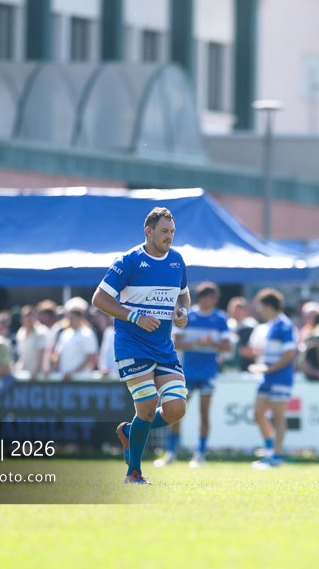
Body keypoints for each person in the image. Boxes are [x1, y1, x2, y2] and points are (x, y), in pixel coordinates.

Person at [91, 206, 190, 485]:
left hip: (163, 347)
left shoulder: (177, 261)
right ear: (148, 231)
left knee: (176, 410)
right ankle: (133, 472)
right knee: (146, 407)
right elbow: (99, 298)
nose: (169, 236)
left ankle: (130, 431)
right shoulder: (129, 260)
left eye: (172, 232)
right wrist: (135, 316)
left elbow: (184, 296)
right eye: (164, 231)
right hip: (132, 344)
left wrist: (183, 313)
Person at [168, 282, 231, 468]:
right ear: (202, 298)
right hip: (187, 373)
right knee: (177, 412)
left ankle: (200, 454)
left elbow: (227, 347)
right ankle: (171, 452)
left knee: (204, 414)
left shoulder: (220, 318)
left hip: (208, 373)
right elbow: (175, 344)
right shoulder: (189, 316)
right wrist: (197, 342)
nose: (215, 301)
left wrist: (212, 343)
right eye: (212, 297)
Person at [249, 288, 298, 469]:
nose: (259, 311)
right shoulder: (271, 325)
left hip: (280, 377)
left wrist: (268, 369)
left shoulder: (284, 325)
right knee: (257, 413)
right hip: (267, 377)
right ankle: (270, 450)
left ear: (269, 306)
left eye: (261, 307)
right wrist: (264, 367)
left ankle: (276, 456)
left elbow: (290, 354)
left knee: (278, 418)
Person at [50, 298, 98, 380]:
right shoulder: (64, 334)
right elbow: (59, 356)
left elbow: (90, 358)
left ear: (80, 318)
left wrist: (73, 372)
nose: (70, 320)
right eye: (69, 318)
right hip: (65, 378)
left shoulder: (87, 334)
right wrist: (52, 368)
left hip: (82, 379)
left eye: (73, 318)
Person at [15, 305, 48, 378]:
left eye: (32, 316)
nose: (29, 319)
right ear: (22, 319)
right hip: (24, 373)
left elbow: (41, 353)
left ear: (36, 318)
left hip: (38, 376)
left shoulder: (41, 333)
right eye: (27, 316)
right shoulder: (20, 333)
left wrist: (37, 371)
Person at [226, 296, 257, 372]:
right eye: (233, 310)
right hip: (229, 369)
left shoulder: (252, 326)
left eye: (239, 310)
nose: (235, 313)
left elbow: (253, 351)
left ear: (245, 311)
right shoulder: (227, 325)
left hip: (246, 369)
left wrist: (236, 350)